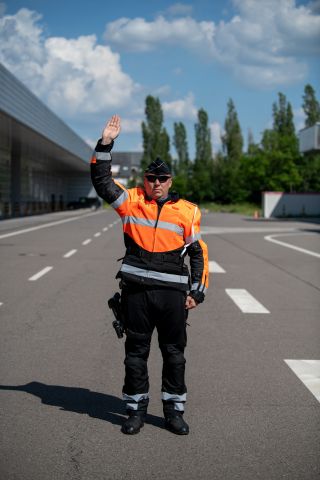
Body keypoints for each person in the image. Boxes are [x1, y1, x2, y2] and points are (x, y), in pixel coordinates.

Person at [91, 115, 209, 435]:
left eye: (163, 178)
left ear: (171, 181)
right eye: (151, 178)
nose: (156, 183)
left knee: (174, 355)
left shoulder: (188, 210)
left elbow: (198, 252)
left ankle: (173, 412)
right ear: (145, 180)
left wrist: (197, 290)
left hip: (171, 295)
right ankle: (135, 411)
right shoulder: (130, 201)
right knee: (135, 355)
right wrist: (105, 144)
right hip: (136, 293)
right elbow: (102, 182)